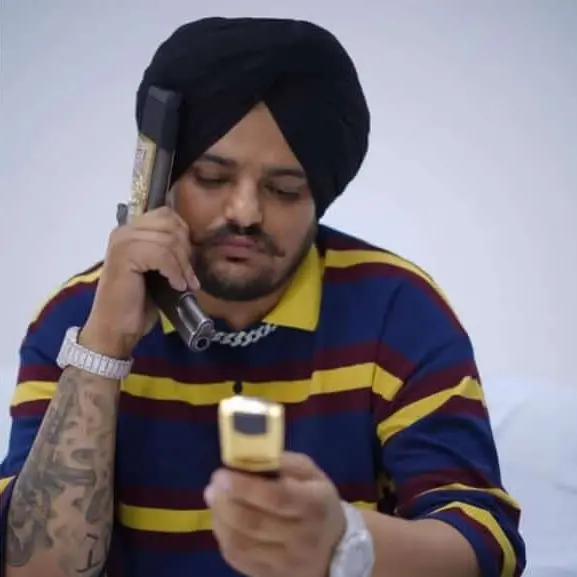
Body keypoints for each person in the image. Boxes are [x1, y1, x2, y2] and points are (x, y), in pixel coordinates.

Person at [0, 16, 525, 577]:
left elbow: (486, 545)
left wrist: (347, 544)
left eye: (284, 189)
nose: (245, 212)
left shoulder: (399, 311)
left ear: (319, 196)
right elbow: (31, 570)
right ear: (158, 181)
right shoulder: (76, 317)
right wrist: (102, 349)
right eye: (212, 178)